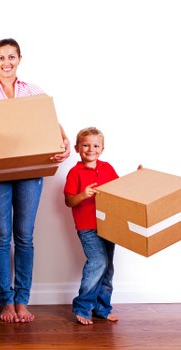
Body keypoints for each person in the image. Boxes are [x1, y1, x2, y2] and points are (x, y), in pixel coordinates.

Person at [0, 38, 70, 323]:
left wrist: (63, 140)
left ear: (19, 59)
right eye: (1, 58)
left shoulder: (33, 91)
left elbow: (49, 122)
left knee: (24, 236)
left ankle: (22, 300)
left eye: (11, 57)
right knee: (1, 237)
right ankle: (6, 301)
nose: (6, 62)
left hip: (30, 171)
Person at [64, 126, 119, 325]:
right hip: (87, 227)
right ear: (78, 148)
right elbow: (69, 201)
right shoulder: (74, 172)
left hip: (109, 225)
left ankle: (102, 309)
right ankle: (83, 306)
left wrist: (137, 177)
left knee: (107, 268)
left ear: (102, 149)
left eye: (96, 145)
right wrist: (83, 194)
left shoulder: (108, 168)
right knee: (98, 262)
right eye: (85, 145)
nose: (91, 149)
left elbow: (122, 192)